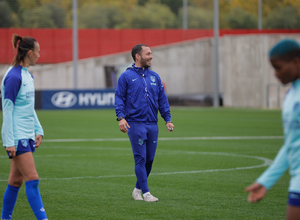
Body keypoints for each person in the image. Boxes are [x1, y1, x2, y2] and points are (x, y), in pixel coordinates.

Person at [245, 38, 300, 220]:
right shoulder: (291, 95)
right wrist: (266, 181)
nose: (275, 74)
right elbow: (292, 144)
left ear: (296, 62)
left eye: (278, 67)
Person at [115, 44, 175, 202]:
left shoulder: (155, 77)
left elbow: (162, 100)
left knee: (149, 160)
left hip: (152, 124)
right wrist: (121, 117)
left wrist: (167, 119)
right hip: (135, 123)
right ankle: (146, 193)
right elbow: (119, 98)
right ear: (138, 56)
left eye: (151, 53)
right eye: (148, 54)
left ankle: (137, 190)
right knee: (140, 159)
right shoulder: (126, 76)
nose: (151, 56)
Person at [1, 34, 48, 220]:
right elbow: (7, 111)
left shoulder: (28, 75)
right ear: (29, 53)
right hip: (18, 137)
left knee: (15, 180)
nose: (39, 55)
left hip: (27, 135)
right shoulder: (13, 77)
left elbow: (29, 108)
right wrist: (9, 141)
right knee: (33, 179)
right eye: (37, 51)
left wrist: (39, 129)